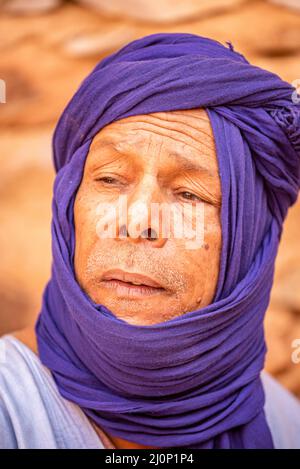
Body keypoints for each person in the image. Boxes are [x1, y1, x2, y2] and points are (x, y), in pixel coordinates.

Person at [0, 33, 300, 449]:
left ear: (248, 239)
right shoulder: (9, 408)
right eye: (108, 179)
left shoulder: (287, 424)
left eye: (189, 194)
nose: (137, 221)